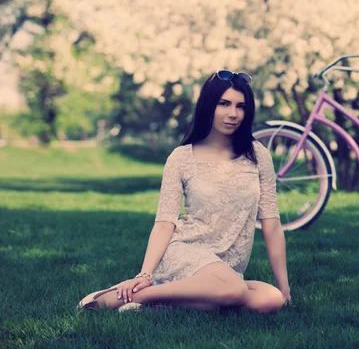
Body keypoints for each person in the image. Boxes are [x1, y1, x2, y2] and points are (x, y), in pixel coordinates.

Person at [78, 70, 291, 313]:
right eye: (224, 104)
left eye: (240, 106)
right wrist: (145, 273)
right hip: (184, 251)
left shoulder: (258, 155)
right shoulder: (181, 158)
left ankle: (158, 302)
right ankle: (138, 294)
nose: (233, 114)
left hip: (226, 267)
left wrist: (285, 290)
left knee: (270, 299)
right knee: (235, 291)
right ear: (208, 106)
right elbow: (165, 222)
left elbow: (272, 224)